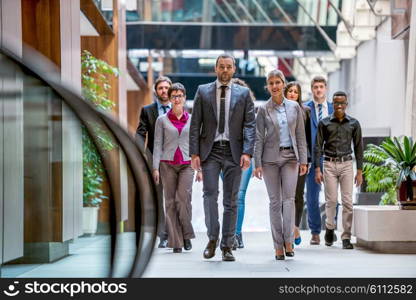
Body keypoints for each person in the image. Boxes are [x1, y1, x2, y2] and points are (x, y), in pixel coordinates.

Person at [189, 54, 255, 262]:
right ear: (216, 69)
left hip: (234, 151)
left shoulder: (244, 94)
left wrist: (247, 152)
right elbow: (195, 124)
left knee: (231, 200)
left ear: (234, 70)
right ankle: (212, 238)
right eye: (221, 67)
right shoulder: (203, 91)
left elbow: (250, 125)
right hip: (210, 151)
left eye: (229, 67)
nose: (225, 70)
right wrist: (194, 153)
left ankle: (227, 246)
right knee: (209, 196)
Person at [254, 70, 307, 260]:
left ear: (283, 83)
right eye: (271, 83)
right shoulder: (263, 109)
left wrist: (303, 160)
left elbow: (300, 136)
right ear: (267, 86)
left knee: (289, 200)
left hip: (291, 158)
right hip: (269, 160)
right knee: (275, 203)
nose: (275, 86)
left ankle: (288, 241)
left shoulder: (294, 107)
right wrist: (257, 163)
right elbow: (258, 138)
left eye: (278, 82)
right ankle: (277, 246)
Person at [314, 91, 363, 250]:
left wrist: (360, 171)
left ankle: (346, 237)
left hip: (347, 164)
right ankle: (329, 228)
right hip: (329, 164)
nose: (339, 106)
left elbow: (358, 148)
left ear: (346, 104)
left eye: (342, 103)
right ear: (332, 104)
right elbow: (318, 147)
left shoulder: (354, 123)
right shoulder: (324, 123)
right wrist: (317, 169)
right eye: (336, 103)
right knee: (332, 200)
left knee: (348, 202)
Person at [153, 83, 197, 253]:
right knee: (170, 202)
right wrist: (155, 167)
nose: (177, 99)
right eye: (174, 96)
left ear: (184, 98)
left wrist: (199, 169)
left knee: (183, 199)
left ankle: (186, 234)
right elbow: (157, 145)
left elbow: (196, 144)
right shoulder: (161, 120)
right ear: (169, 99)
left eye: (180, 96)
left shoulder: (193, 119)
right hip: (167, 164)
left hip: (187, 164)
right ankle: (176, 241)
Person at [136, 76, 172, 248]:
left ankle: (177, 233)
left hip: (175, 159)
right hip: (154, 159)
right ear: (156, 91)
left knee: (174, 198)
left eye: (166, 88)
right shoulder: (147, 110)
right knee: (158, 197)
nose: (164, 91)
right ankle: (163, 235)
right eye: (161, 88)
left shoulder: (179, 109)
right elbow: (141, 132)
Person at [305, 76, 334, 245]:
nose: (318, 90)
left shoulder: (333, 108)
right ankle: (315, 232)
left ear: (325, 89)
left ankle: (330, 228)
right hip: (310, 159)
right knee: (312, 197)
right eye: (315, 87)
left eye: (321, 87)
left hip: (330, 157)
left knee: (332, 197)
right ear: (312, 89)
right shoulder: (305, 108)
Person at [284, 82, 312, 246]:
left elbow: (307, 139)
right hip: (283, 157)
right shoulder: (280, 110)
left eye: (296, 92)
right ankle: (285, 229)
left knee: (297, 195)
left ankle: (295, 227)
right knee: (284, 196)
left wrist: (306, 160)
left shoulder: (306, 111)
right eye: (290, 91)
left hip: (299, 159)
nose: (293, 94)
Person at [231, 78, 256, 249]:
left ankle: (237, 234)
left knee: (239, 196)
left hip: (245, 158)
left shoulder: (251, 112)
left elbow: (256, 136)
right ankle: (228, 233)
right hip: (225, 157)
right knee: (229, 196)